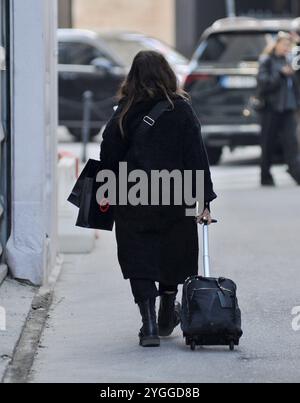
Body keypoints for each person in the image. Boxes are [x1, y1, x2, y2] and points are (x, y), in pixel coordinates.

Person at [99, 51, 217, 347]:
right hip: (175, 195)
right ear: (167, 74)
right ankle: (167, 307)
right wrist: (203, 200)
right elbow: (196, 158)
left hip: (132, 196)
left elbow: (108, 157)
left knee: (139, 257)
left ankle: (149, 324)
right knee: (173, 252)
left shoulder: (125, 111)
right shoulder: (181, 110)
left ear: (132, 77)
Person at [257, 32, 300, 186]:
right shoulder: (267, 61)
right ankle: (265, 175)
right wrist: (280, 74)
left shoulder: (289, 61)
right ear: (276, 45)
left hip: (288, 108)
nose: (286, 48)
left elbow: (295, 86)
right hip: (271, 109)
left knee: (292, 143)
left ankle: (296, 173)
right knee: (268, 143)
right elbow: (263, 84)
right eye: (284, 45)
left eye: (289, 45)